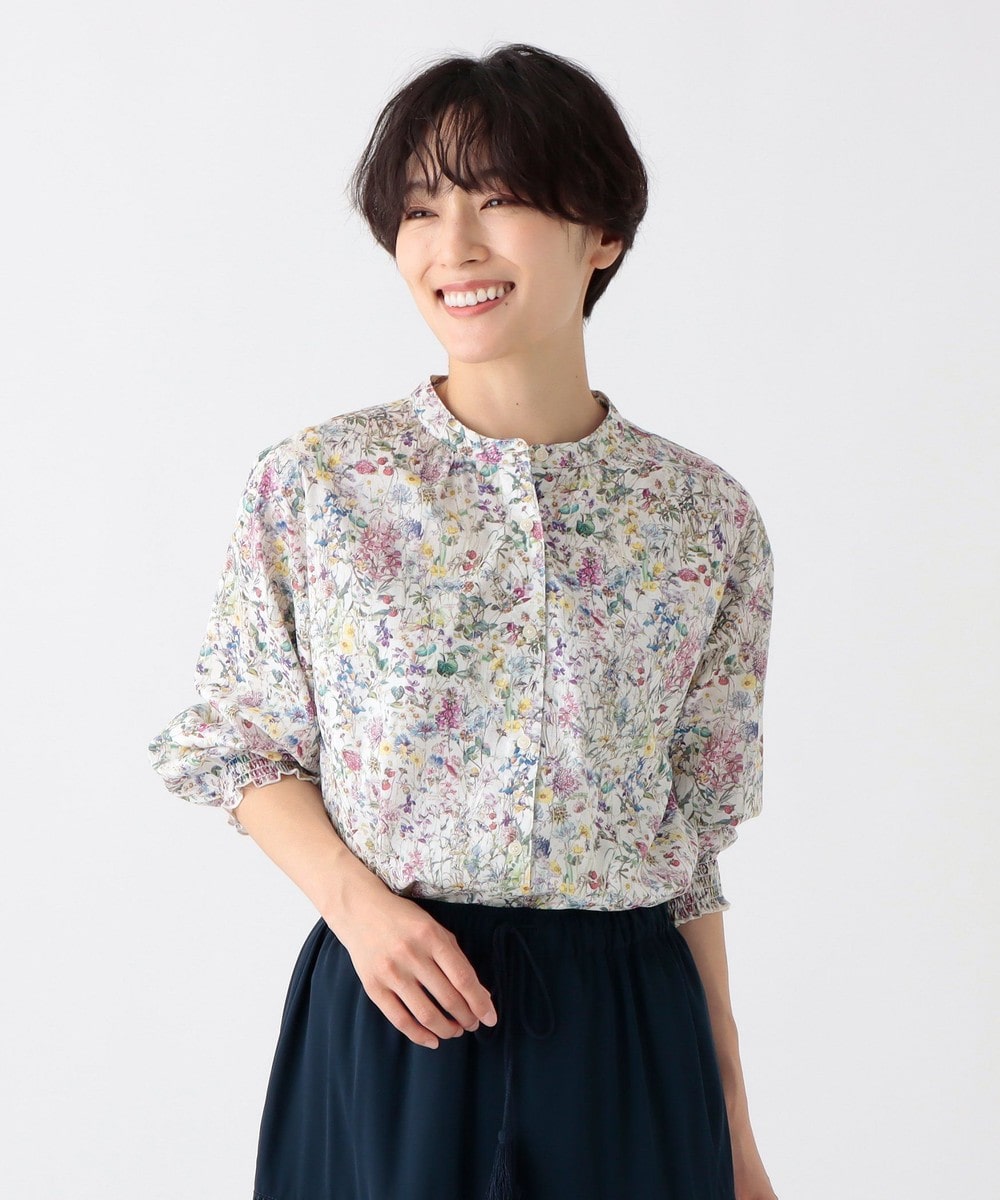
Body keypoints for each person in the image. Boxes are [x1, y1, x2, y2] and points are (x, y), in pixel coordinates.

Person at [148, 41, 779, 1200]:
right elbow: (239, 745)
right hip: (395, 1014)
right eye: (420, 209)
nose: (455, 247)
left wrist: (734, 1128)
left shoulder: (702, 517)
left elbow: (693, 841)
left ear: (602, 232)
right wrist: (358, 910)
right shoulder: (321, 484)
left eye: (499, 200)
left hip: (630, 1034)